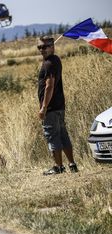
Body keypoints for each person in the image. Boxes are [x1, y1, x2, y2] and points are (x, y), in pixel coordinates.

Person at [37, 36, 78, 175]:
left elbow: (49, 86)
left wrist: (43, 107)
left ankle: (58, 167)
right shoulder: (56, 60)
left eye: (44, 47)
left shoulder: (48, 63)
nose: (42, 50)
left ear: (52, 47)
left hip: (51, 108)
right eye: (39, 47)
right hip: (60, 105)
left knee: (52, 135)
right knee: (63, 134)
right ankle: (72, 164)